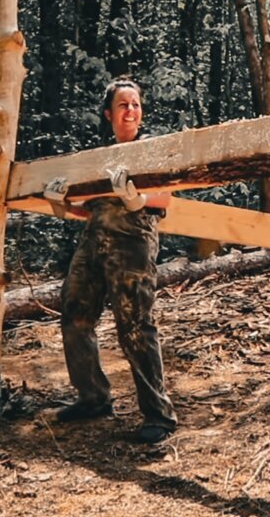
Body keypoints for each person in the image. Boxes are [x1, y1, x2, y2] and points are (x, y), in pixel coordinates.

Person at [47, 79, 178, 444]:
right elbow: (85, 210)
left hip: (133, 245)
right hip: (92, 246)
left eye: (135, 104)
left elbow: (165, 199)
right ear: (108, 114)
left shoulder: (152, 150)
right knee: (75, 316)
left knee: (135, 326)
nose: (131, 111)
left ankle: (159, 415)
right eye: (123, 105)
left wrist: (137, 199)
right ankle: (93, 399)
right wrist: (61, 205)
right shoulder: (97, 159)